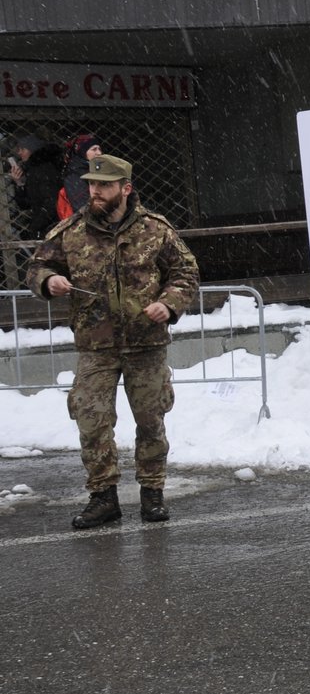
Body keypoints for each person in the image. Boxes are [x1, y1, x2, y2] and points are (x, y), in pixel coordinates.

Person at [25, 153, 199, 529]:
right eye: (91, 184)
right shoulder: (71, 231)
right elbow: (38, 267)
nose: (95, 191)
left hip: (146, 344)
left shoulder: (156, 230)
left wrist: (168, 305)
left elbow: (185, 272)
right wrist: (48, 281)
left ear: (125, 188)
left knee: (151, 421)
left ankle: (152, 494)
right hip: (96, 345)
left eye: (104, 185)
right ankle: (103, 497)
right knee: (92, 421)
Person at [9, 133, 64, 240]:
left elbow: (51, 202)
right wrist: (19, 183)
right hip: (46, 224)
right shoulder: (32, 170)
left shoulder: (43, 169)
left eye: (22, 149)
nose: (19, 152)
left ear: (32, 149)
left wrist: (36, 226)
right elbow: (25, 204)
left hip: (50, 225)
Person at [57, 134, 102, 221]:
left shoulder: (97, 170)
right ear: (82, 152)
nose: (99, 153)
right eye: (94, 149)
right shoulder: (74, 176)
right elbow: (82, 207)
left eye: (100, 149)